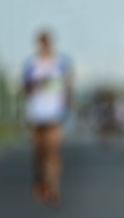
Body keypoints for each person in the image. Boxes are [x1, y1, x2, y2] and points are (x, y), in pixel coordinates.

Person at [22, 30, 73, 208]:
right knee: (40, 150)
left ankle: (53, 187)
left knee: (54, 150)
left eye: (47, 42)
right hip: (36, 113)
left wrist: (68, 110)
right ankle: (40, 179)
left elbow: (68, 87)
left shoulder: (61, 62)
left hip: (55, 113)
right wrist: (37, 85)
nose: (44, 45)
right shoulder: (31, 63)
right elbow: (25, 89)